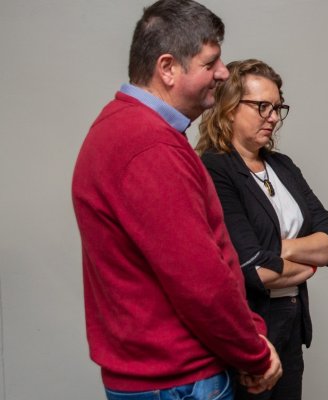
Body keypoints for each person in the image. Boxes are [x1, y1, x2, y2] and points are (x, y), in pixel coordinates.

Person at [71, 1, 281, 399]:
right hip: (180, 383)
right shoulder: (149, 147)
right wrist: (254, 354)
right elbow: (201, 282)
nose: (223, 73)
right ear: (167, 68)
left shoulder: (124, 127)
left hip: (165, 378)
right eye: (211, 63)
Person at [197, 59, 328, 399]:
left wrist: (282, 248)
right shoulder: (215, 169)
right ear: (228, 108)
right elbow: (253, 268)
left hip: (291, 320)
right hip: (249, 324)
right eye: (262, 106)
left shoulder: (282, 165)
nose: (273, 116)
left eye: (278, 107)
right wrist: (309, 260)